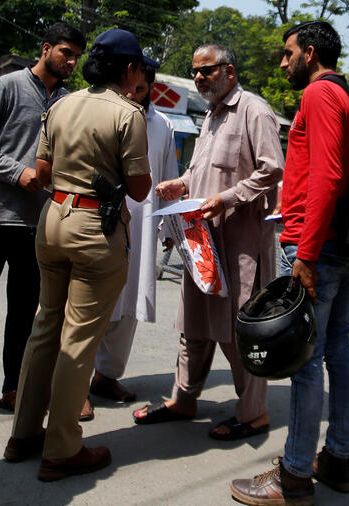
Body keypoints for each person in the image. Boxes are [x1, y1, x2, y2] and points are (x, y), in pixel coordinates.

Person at [3, 28, 155, 482]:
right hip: (96, 229)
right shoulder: (129, 114)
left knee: (45, 326)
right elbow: (141, 188)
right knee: (79, 338)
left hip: (53, 219)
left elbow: (44, 170)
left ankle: (24, 435)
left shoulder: (60, 104)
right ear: (130, 70)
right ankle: (62, 448)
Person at [231, 20, 349, 504]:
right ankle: (339, 459)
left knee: (304, 361)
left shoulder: (320, 95)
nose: (283, 62)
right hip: (344, 246)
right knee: (338, 351)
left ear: (309, 53)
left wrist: (305, 255)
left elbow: (327, 175)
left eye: (287, 54)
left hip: (319, 247)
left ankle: (294, 475)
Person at [134, 43, 284, 442]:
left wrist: (227, 199)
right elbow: (201, 170)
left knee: (240, 331)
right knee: (194, 325)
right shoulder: (212, 116)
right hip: (202, 241)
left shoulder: (254, 110)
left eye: (208, 70)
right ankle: (183, 400)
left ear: (229, 72)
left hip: (240, 243)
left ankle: (254, 414)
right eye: (195, 71)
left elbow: (273, 170)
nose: (199, 77)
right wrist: (180, 184)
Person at [0, 23, 86, 425]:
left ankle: (14, 388)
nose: (72, 61)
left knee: (26, 314)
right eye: (65, 52)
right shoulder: (7, 87)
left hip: (38, 224)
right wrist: (17, 173)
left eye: (77, 55)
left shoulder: (68, 102)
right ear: (45, 49)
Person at [88, 65, 179, 405]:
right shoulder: (104, 115)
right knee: (93, 302)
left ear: (150, 89)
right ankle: (75, 383)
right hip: (100, 223)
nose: (133, 95)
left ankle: (106, 376)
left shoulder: (162, 125)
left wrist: (171, 227)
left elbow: (169, 177)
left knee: (129, 305)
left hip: (141, 228)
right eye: (129, 88)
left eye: (141, 89)